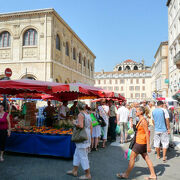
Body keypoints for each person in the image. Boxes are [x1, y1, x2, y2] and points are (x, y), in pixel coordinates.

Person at [116, 106, 156, 179]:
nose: (135, 112)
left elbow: (147, 133)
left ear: (141, 112)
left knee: (132, 158)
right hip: (139, 142)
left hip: (140, 142)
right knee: (146, 158)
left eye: (136, 111)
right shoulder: (141, 119)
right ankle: (153, 175)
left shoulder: (143, 120)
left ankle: (126, 174)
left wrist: (148, 146)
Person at [67, 104, 92, 179]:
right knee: (77, 154)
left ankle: (88, 174)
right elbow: (91, 126)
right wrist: (89, 137)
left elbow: (80, 125)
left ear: (78, 108)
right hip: (86, 135)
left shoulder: (80, 114)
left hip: (82, 136)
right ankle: (74, 170)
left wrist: (74, 122)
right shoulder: (88, 114)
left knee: (83, 156)